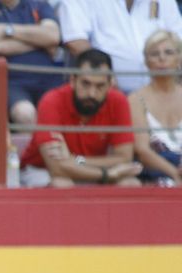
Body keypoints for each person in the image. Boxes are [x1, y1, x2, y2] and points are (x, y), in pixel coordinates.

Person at [19, 46, 141, 186]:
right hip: (42, 170)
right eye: (85, 84)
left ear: (110, 85)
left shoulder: (118, 101)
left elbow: (124, 158)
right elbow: (57, 168)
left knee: (130, 184)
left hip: (86, 166)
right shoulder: (51, 101)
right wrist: (107, 174)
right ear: (73, 80)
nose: (92, 94)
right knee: (62, 184)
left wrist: (76, 160)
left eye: (100, 86)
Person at [0, 0, 61, 126]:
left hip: (50, 78)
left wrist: (7, 30)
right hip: (11, 82)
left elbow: (53, 36)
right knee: (24, 114)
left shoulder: (37, 3)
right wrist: (41, 42)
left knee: (60, 112)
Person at [60, 0, 181, 96]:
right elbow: (75, 40)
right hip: (106, 94)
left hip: (164, 91)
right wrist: (105, 75)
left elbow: (178, 40)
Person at [130, 28, 181, 184]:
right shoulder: (135, 99)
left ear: (179, 59)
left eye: (168, 52)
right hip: (154, 177)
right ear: (146, 61)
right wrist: (175, 174)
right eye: (154, 54)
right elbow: (142, 150)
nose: (161, 58)